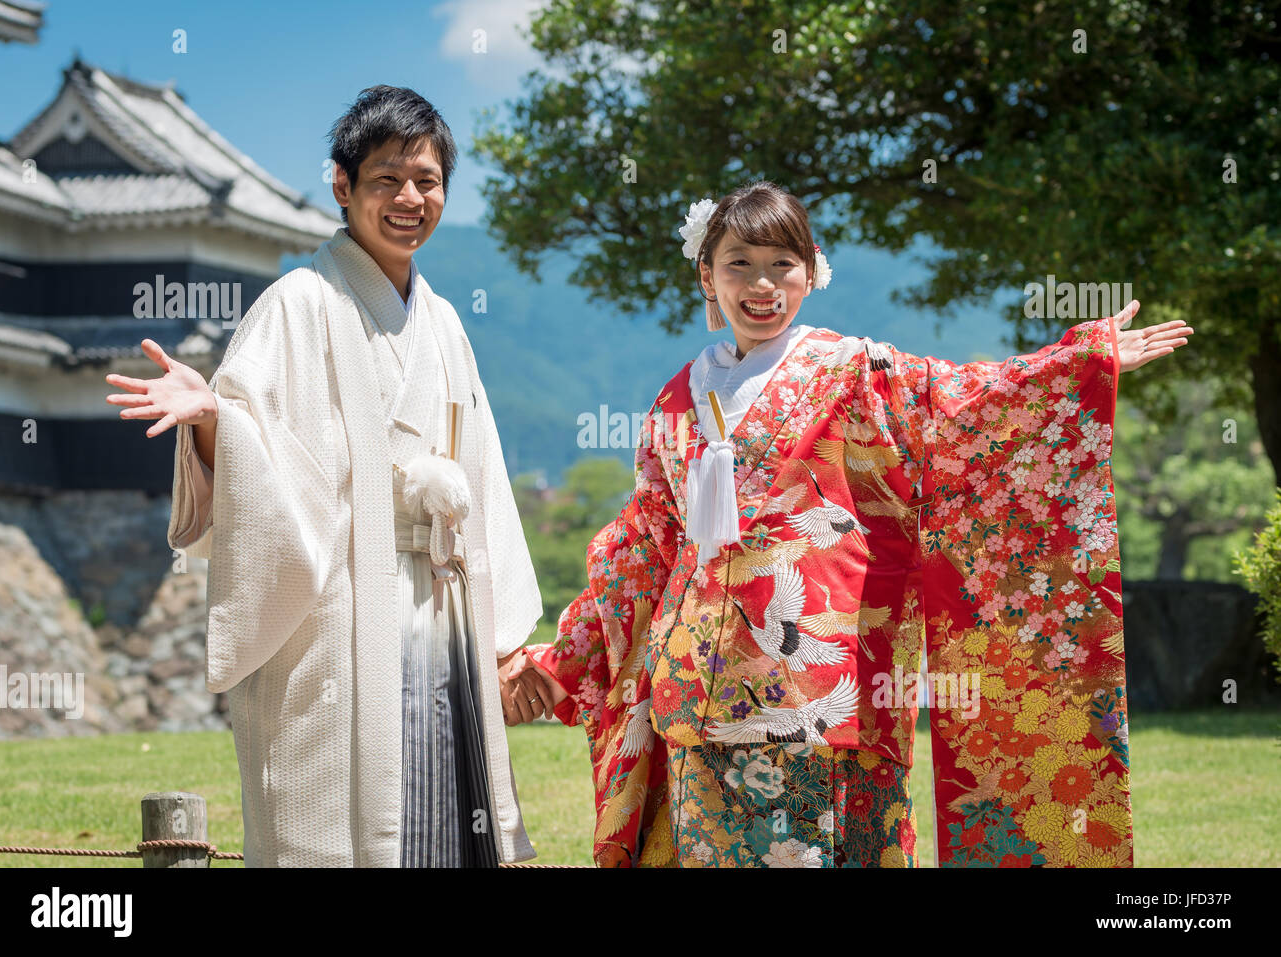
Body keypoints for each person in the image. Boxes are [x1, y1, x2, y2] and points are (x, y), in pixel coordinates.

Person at [502, 180, 1192, 867]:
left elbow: (961, 403)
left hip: (823, 690)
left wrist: (1076, 362)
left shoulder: (853, 370)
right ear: (705, 275)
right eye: (739, 262)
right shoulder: (676, 399)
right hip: (692, 698)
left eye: (782, 263)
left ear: (812, 272)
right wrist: (558, 662)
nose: (761, 283)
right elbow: (643, 549)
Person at [105, 86, 555, 867]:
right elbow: (261, 459)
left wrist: (505, 639)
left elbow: (483, 479)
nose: (410, 198)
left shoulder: (445, 324)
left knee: (441, 816)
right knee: (338, 815)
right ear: (343, 186)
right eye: (387, 179)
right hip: (341, 614)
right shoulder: (295, 305)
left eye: (428, 179)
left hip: (440, 611)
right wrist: (213, 418)